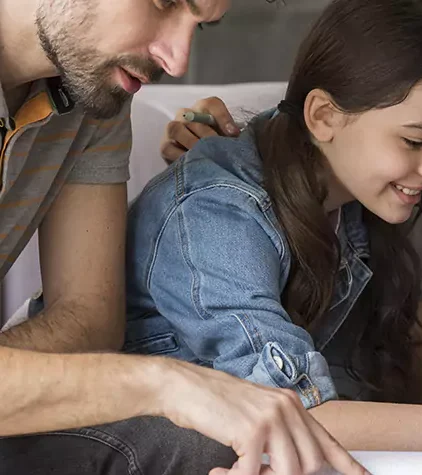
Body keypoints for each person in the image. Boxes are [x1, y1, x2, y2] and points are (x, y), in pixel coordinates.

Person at [132, 0, 422, 460]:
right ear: (323, 117)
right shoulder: (218, 212)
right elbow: (296, 413)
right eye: (415, 141)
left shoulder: (356, 195)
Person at [0, 0, 364, 474]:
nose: (176, 60)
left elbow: (89, 318)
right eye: (165, 2)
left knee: (207, 445)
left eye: (201, 25)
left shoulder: (91, 91)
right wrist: (169, 384)